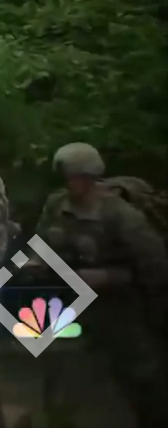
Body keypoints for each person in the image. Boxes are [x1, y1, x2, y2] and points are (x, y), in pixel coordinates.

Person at [32, 142, 168, 428]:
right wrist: (36, 263)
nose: (70, 184)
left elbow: (157, 267)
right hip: (72, 305)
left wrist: (110, 277)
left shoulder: (122, 216)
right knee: (65, 373)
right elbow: (42, 244)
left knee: (141, 378)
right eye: (67, 177)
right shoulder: (57, 205)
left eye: (76, 177)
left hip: (122, 309)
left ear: (90, 177)